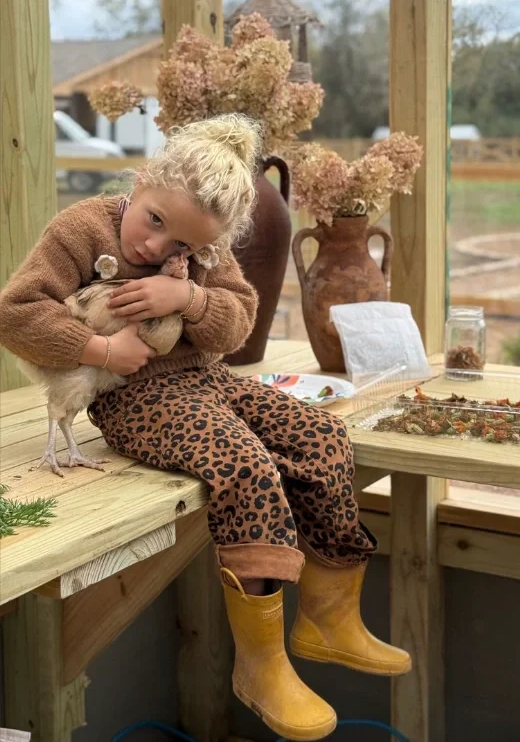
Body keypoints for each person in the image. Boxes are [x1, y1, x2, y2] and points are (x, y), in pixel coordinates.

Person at [0, 114, 410, 741]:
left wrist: (187, 300)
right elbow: (17, 313)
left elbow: (239, 322)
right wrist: (100, 351)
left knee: (323, 436)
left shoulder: (205, 251)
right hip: (133, 399)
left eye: (180, 248)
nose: (155, 250)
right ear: (141, 183)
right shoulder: (80, 229)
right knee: (244, 464)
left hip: (208, 383)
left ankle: (328, 617)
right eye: (155, 222)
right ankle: (260, 663)